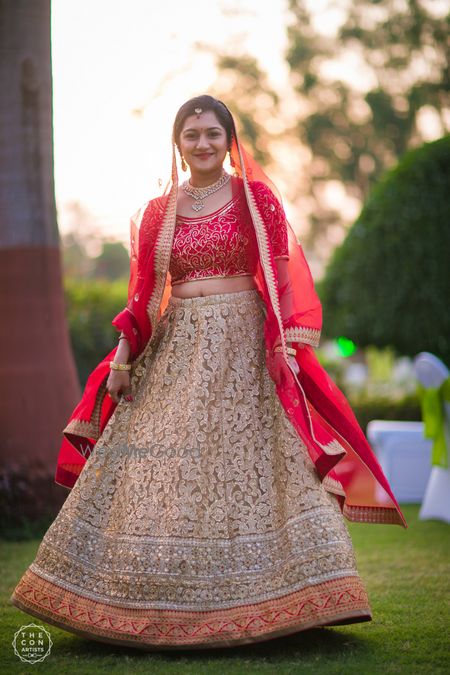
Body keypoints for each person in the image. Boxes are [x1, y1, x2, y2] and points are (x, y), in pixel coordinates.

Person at [10, 95, 407, 651]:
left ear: (229, 140)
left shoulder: (256, 199)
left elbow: (282, 276)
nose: (202, 144)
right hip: (176, 345)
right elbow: (142, 294)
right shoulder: (158, 212)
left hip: (246, 347)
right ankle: (145, 597)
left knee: (251, 463)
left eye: (213, 134)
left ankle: (287, 596)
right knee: (164, 468)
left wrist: (287, 347)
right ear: (178, 142)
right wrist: (123, 358)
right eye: (192, 134)